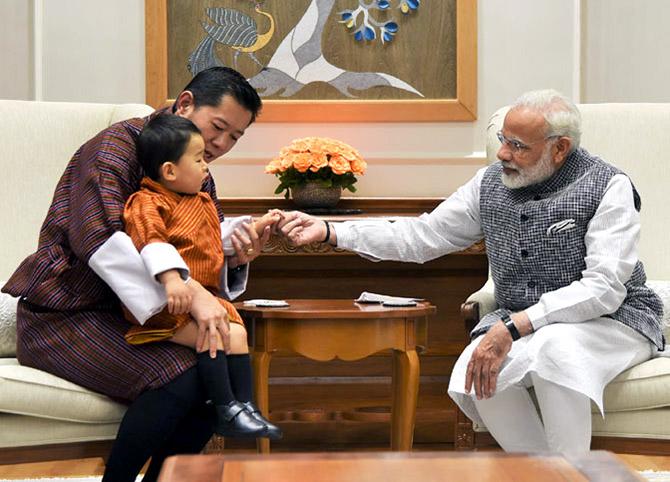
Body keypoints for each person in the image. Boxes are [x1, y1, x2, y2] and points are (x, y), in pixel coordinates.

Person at [276, 89, 664, 455]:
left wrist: (516, 326)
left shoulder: (607, 186)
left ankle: (568, 472)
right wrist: (332, 231)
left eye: (518, 146)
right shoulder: (489, 184)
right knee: (473, 371)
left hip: (613, 320)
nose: (501, 153)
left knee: (556, 350)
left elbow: (605, 288)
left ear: (559, 148)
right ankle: (547, 474)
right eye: (503, 138)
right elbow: (423, 235)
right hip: (524, 324)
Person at [2, 67, 271, 482]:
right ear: (185, 104)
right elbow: (102, 242)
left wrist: (234, 254)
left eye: (234, 137)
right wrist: (189, 292)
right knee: (186, 376)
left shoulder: (194, 166)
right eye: (218, 127)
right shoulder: (112, 148)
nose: (220, 145)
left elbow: (197, 245)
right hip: (65, 318)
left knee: (214, 374)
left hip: (132, 317)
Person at [122, 114, 282, 441]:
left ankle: (244, 406)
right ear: (169, 170)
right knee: (218, 335)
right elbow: (151, 242)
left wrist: (258, 226)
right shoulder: (146, 202)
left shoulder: (200, 200)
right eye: (197, 160)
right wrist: (171, 281)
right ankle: (224, 408)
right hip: (170, 303)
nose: (206, 166)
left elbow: (215, 241)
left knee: (237, 335)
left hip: (202, 300)